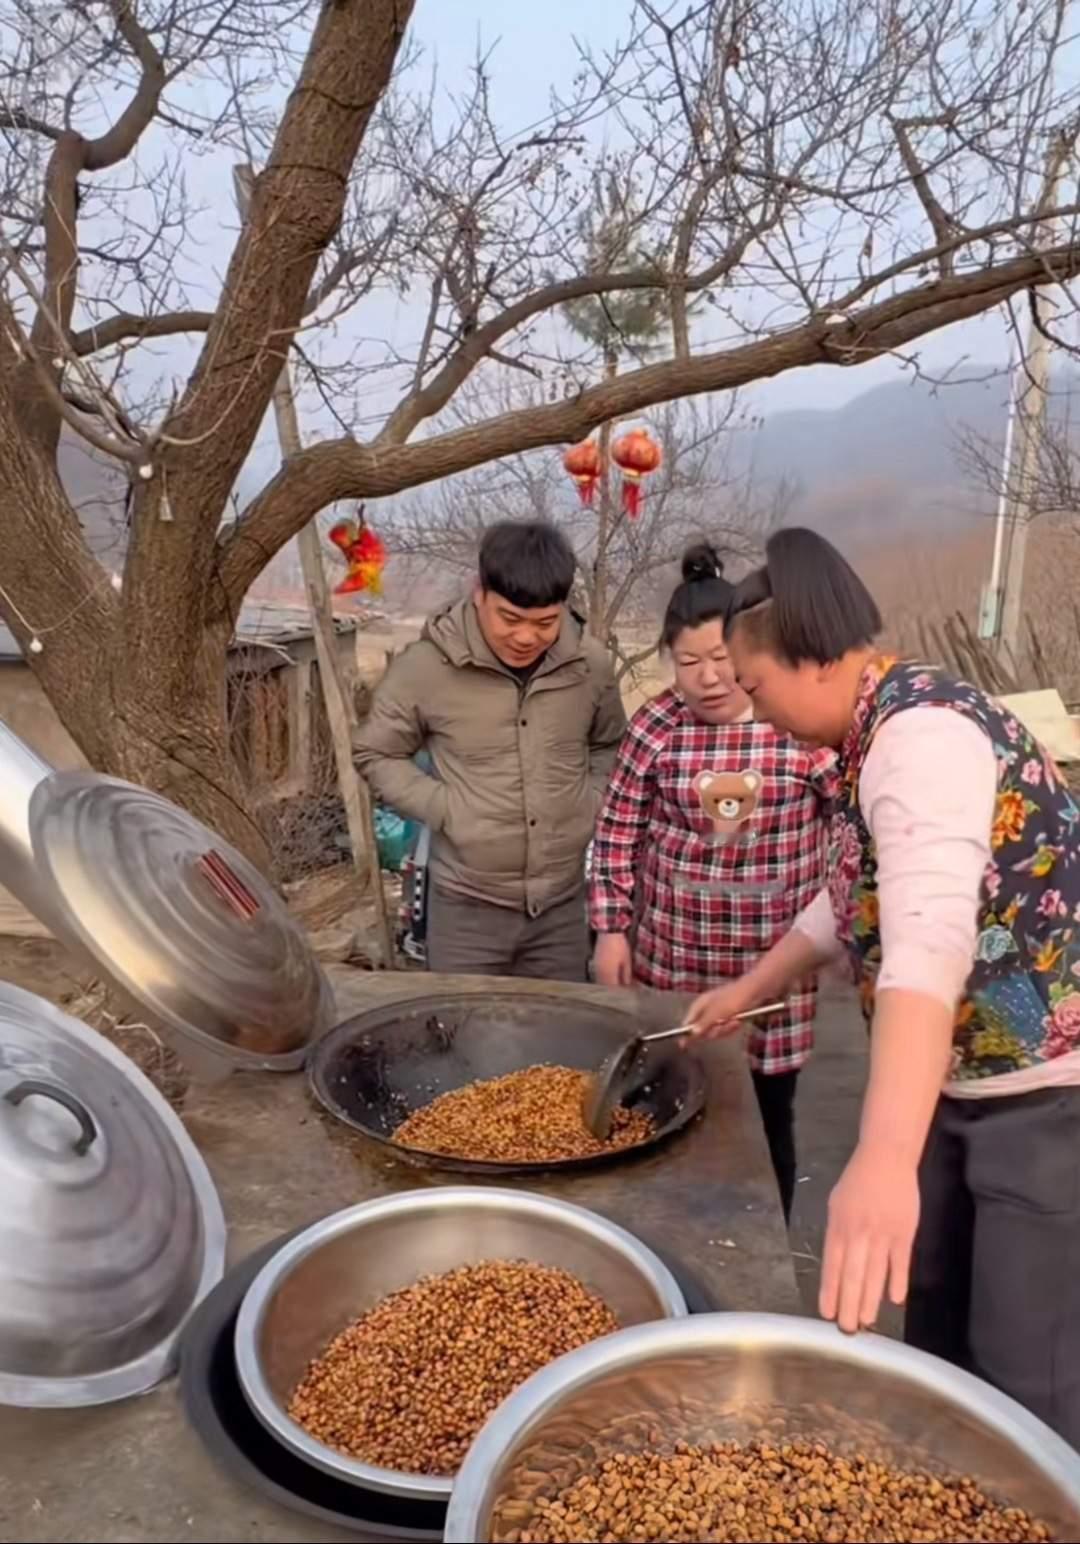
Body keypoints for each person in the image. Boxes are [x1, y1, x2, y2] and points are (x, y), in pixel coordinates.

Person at [688, 526, 1080, 1450]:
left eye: (756, 687)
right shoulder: (873, 735)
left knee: (1031, 1375)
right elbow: (850, 902)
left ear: (810, 657)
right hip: (958, 1082)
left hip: (1046, 1101)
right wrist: (750, 987)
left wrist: (878, 1156)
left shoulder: (922, 735)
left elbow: (926, 947)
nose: (759, 711)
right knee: (941, 1337)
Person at [589, 544, 836, 1221]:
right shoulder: (656, 727)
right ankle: (671, 1226)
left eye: (722, 659)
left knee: (767, 1120)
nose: (708, 678)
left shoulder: (795, 725)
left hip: (773, 975)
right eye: (689, 662)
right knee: (670, 1108)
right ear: (670, 660)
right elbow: (616, 832)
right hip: (676, 963)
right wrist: (611, 927)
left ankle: (765, 1240)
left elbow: (850, 832)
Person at [353, 519, 626, 980]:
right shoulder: (427, 667)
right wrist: (445, 808)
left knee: (556, 1041)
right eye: (510, 619)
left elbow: (610, 743)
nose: (526, 637)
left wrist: (590, 800)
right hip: (466, 910)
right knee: (466, 1040)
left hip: (561, 909)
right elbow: (376, 754)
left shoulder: (589, 665)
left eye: (544, 623)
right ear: (479, 592)